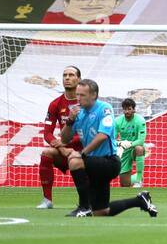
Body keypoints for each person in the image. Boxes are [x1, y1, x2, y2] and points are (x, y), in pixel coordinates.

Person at [59, 79, 157, 219]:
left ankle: (84, 207)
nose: (78, 98)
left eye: (82, 95)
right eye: (77, 94)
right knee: (101, 211)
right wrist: (69, 121)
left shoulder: (104, 108)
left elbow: (103, 136)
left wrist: (82, 154)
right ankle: (140, 200)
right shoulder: (78, 113)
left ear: (93, 95)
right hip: (93, 164)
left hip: (108, 162)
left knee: (75, 161)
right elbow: (64, 139)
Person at [36, 65, 83, 209]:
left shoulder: (86, 103)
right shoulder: (55, 104)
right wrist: (62, 147)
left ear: (79, 79)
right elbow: (47, 133)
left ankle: (85, 201)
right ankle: (47, 200)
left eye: (71, 75)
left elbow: (90, 133)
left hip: (84, 150)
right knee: (46, 153)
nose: (67, 78)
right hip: (64, 150)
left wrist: (66, 145)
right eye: (65, 75)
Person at [115, 97, 148, 188]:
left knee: (139, 148)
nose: (127, 111)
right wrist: (120, 143)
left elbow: (141, 141)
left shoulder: (140, 120)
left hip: (134, 147)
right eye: (125, 109)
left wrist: (129, 144)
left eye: (129, 109)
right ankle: (135, 178)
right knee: (125, 184)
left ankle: (138, 179)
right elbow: (112, 138)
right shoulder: (118, 121)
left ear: (134, 109)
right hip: (124, 150)